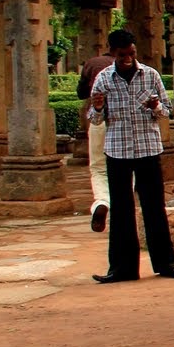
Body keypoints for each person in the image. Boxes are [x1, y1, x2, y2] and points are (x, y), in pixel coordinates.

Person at [87, 29, 174, 283]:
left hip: (148, 150)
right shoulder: (104, 79)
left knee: (154, 208)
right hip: (118, 151)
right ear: (112, 53)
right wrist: (97, 107)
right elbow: (96, 119)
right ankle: (122, 268)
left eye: (131, 53)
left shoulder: (150, 75)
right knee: (121, 210)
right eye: (122, 55)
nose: (128, 58)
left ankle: (167, 264)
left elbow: (167, 111)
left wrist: (156, 108)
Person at [76, 45, 115, 233]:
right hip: (120, 123)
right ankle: (120, 207)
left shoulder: (93, 64)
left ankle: (102, 201)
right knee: (126, 165)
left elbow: (81, 92)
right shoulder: (132, 67)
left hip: (97, 118)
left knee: (98, 168)